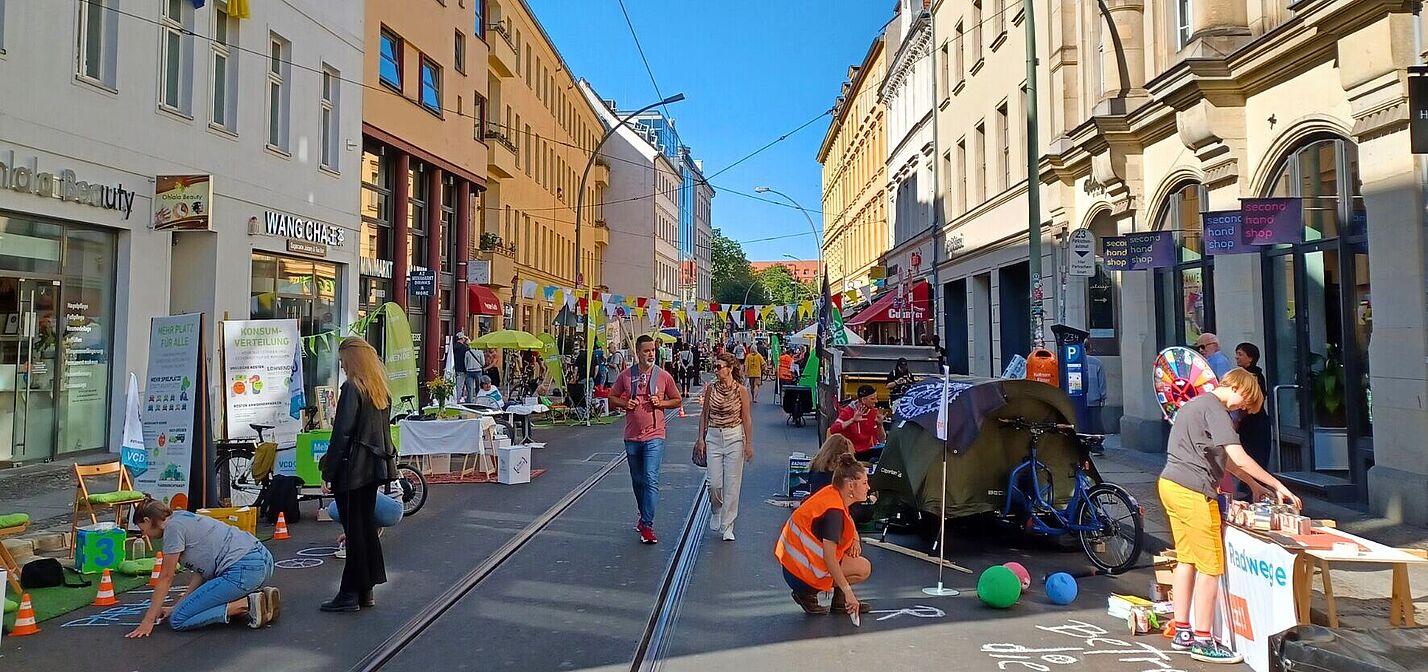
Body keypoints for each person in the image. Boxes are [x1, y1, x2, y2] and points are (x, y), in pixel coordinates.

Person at [1159, 368, 1300, 664]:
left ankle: (1183, 630)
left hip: (1171, 483)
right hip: (1193, 489)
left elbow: (1226, 462)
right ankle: (1203, 638)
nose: (1242, 410)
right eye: (1245, 404)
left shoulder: (1195, 405)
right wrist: (1278, 485)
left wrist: (1254, 485)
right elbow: (1238, 457)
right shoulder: (1216, 408)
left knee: (1186, 559)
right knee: (1211, 565)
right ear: (1239, 389)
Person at [125, 497, 279, 637]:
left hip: (242, 570)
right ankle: (261, 599)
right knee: (182, 610)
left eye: (143, 529)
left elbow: (166, 577)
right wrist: (179, 605)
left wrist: (148, 620)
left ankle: (247, 604)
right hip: (262, 561)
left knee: (178, 619)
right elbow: (203, 571)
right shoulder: (182, 516)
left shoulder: (172, 529)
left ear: (147, 519)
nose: (144, 534)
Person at [320, 337, 395, 612]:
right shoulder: (379, 390)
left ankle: (349, 593)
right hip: (373, 469)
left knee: (354, 532)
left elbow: (342, 434)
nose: (341, 365)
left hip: (352, 470)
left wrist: (329, 470)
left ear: (351, 360)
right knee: (365, 530)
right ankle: (366, 590)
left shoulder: (352, 389)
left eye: (342, 360)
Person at [774, 454, 874, 616]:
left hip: (793, 566)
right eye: (864, 483)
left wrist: (855, 539)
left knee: (852, 554)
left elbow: (848, 519)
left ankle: (837, 601)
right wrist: (849, 593)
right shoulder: (833, 513)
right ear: (850, 486)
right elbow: (829, 558)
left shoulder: (832, 493)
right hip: (802, 572)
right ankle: (811, 594)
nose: (868, 487)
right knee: (863, 568)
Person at [610, 334, 683, 544]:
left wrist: (661, 403)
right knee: (638, 480)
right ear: (638, 352)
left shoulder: (663, 376)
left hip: (655, 434)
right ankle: (643, 515)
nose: (651, 354)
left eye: (653, 350)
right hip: (632, 436)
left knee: (651, 478)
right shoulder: (626, 375)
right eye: (647, 351)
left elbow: (677, 400)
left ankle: (648, 525)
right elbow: (612, 398)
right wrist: (625, 404)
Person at [695, 352, 753, 541]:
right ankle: (716, 509)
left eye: (719, 367)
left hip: (734, 437)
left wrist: (749, 444)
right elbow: (704, 414)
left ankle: (728, 525)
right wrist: (700, 439)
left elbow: (746, 418)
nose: (716, 370)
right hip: (713, 436)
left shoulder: (741, 391)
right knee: (714, 483)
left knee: (732, 484)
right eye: (715, 366)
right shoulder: (711, 389)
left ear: (730, 369)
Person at [1234, 342, 1273, 491]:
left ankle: (1256, 488)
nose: (1237, 357)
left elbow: (1251, 400)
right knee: (1248, 453)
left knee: (1254, 456)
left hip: (1255, 424)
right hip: (1248, 424)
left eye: (1240, 354)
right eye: (1237, 354)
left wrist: (1238, 418)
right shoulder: (1244, 374)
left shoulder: (1253, 376)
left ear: (1250, 358)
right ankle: (1250, 488)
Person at [829, 385, 886, 460]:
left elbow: (882, 439)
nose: (876, 401)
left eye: (876, 398)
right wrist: (852, 420)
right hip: (851, 452)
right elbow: (833, 429)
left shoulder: (874, 412)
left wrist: (880, 425)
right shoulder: (848, 411)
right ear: (863, 400)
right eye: (872, 399)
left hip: (868, 450)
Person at [1085, 343, 1108, 445]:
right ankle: (1097, 445)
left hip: (1080, 399)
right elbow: (1102, 382)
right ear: (1089, 349)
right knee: (1096, 423)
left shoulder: (1074, 361)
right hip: (1094, 398)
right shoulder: (1097, 363)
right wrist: (1103, 396)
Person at [453, 332, 474, 402]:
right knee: (460, 386)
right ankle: (457, 400)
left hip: (453, 369)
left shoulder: (453, 346)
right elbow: (470, 354)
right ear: (462, 339)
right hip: (462, 369)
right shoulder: (465, 348)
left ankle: (453, 399)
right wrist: (469, 343)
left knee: (453, 386)